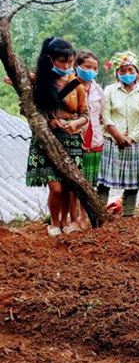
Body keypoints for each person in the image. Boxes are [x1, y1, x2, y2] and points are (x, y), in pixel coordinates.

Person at [26, 37, 88, 237]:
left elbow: (85, 114)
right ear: (50, 60)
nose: (67, 66)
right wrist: (47, 120)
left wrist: (75, 123)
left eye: (70, 62)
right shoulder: (38, 81)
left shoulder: (76, 83)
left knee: (70, 186)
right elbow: (29, 107)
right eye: (63, 61)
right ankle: (53, 222)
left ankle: (65, 221)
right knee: (56, 187)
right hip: (47, 139)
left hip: (70, 139)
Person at [97, 51, 139, 217]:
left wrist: (132, 137)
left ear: (137, 72)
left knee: (132, 184)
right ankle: (99, 215)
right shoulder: (110, 90)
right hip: (111, 140)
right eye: (122, 71)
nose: (127, 74)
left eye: (130, 70)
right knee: (103, 182)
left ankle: (128, 216)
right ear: (116, 73)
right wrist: (118, 136)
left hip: (136, 142)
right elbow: (105, 114)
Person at [69, 49, 105, 231]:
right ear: (77, 66)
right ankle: (73, 218)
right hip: (74, 138)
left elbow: (100, 116)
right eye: (87, 67)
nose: (91, 71)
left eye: (94, 68)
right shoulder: (69, 85)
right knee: (75, 181)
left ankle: (85, 217)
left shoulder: (98, 90)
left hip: (95, 139)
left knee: (90, 182)